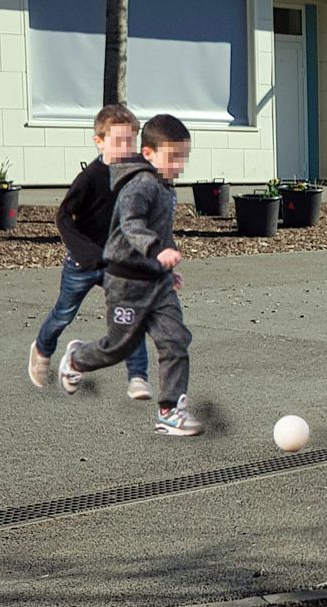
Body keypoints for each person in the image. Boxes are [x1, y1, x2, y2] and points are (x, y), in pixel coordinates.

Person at [58, 114, 204, 436]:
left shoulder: (165, 187)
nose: (180, 164)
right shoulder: (138, 185)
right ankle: (77, 358)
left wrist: (167, 265)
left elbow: (160, 230)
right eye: (174, 157)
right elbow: (132, 224)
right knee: (118, 347)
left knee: (175, 340)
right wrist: (156, 252)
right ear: (149, 154)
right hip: (126, 282)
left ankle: (169, 412)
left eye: (184, 157)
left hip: (157, 282)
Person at [28, 105, 151, 399]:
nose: (125, 148)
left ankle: (137, 377)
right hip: (82, 263)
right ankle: (42, 349)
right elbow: (62, 217)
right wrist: (86, 253)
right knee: (63, 314)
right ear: (99, 141)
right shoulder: (90, 178)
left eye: (130, 141)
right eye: (118, 141)